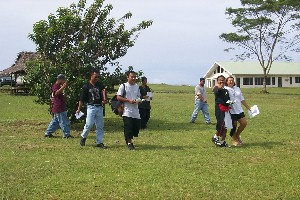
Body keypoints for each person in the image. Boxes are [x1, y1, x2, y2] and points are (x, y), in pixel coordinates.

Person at [76, 69, 107, 148]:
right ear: (91, 76)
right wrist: (79, 108)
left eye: (98, 77)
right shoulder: (86, 86)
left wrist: (104, 101)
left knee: (100, 126)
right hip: (91, 107)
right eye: (95, 76)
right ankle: (83, 136)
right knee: (89, 124)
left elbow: (103, 94)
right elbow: (81, 99)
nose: (97, 78)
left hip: (99, 107)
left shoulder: (100, 85)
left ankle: (99, 142)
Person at [117, 71, 141, 150]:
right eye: (132, 77)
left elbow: (138, 96)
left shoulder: (137, 86)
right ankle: (129, 142)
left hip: (135, 111)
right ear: (128, 77)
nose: (134, 78)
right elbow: (118, 97)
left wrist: (138, 101)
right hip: (126, 110)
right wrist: (128, 100)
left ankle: (128, 139)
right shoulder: (123, 86)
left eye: (135, 77)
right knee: (128, 127)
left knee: (136, 128)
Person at [225, 76, 251, 146]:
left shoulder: (237, 88)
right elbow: (224, 100)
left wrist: (248, 107)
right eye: (229, 80)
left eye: (232, 80)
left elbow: (242, 99)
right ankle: (234, 140)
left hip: (239, 109)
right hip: (231, 110)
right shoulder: (225, 89)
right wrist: (230, 102)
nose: (231, 82)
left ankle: (237, 135)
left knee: (244, 123)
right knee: (234, 125)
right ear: (226, 82)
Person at [45, 74, 72, 138]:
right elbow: (56, 93)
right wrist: (63, 87)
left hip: (59, 107)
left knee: (55, 122)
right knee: (64, 121)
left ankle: (48, 133)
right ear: (60, 79)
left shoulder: (59, 86)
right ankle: (66, 135)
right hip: (59, 107)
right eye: (63, 80)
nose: (64, 81)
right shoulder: (55, 86)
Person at [211, 75, 231, 147]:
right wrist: (218, 87)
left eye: (223, 80)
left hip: (226, 109)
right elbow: (214, 91)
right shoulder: (217, 88)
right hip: (219, 108)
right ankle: (215, 137)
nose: (222, 81)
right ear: (218, 81)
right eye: (220, 80)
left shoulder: (226, 90)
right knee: (221, 123)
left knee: (225, 126)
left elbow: (227, 100)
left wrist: (230, 102)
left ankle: (223, 141)